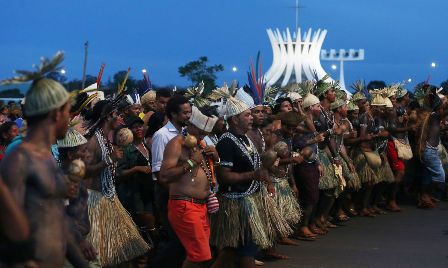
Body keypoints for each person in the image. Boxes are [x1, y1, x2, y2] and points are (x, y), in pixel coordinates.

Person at [0, 52, 73, 267]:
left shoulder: (46, 155)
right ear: (56, 113)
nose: (70, 118)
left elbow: (53, 216)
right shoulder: (20, 157)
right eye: (69, 111)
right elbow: (9, 229)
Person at [210, 95, 280, 268]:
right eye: (247, 115)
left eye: (251, 114)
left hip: (249, 199)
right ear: (234, 119)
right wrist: (252, 175)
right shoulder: (226, 142)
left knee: (238, 248)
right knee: (241, 249)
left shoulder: (246, 137)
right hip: (235, 202)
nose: (251, 118)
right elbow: (224, 176)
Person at [83, 99, 149, 267]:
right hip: (95, 202)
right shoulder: (93, 141)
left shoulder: (107, 138)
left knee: (120, 252)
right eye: (118, 115)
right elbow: (84, 171)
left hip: (109, 198)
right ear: (108, 117)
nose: (121, 118)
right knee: (99, 256)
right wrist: (109, 160)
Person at [160, 106, 219, 268]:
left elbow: (206, 174)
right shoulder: (177, 143)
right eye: (200, 133)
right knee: (200, 255)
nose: (203, 137)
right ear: (191, 126)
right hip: (185, 206)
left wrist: (216, 158)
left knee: (200, 254)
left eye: (205, 134)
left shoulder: (200, 144)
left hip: (201, 207)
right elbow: (164, 176)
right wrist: (192, 162)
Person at [149, 94, 191, 267]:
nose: (189, 116)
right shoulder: (162, 135)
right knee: (176, 241)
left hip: (181, 195)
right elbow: (160, 174)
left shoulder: (185, 134)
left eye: (190, 112)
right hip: (168, 195)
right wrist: (176, 196)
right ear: (173, 114)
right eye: (185, 113)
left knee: (182, 242)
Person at [57, 127, 98, 265]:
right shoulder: (63, 180)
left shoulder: (74, 174)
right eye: (83, 150)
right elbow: (61, 216)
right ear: (70, 155)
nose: (87, 154)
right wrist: (79, 241)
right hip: (69, 245)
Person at [117, 115, 156, 244]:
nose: (138, 129)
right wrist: (136, 169)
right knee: (143, 224)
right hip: (135, 194)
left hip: (148, 192)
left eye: (140, 126)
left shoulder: (147, 146)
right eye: (134, 127)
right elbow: (119, 173)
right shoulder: (126, 150)